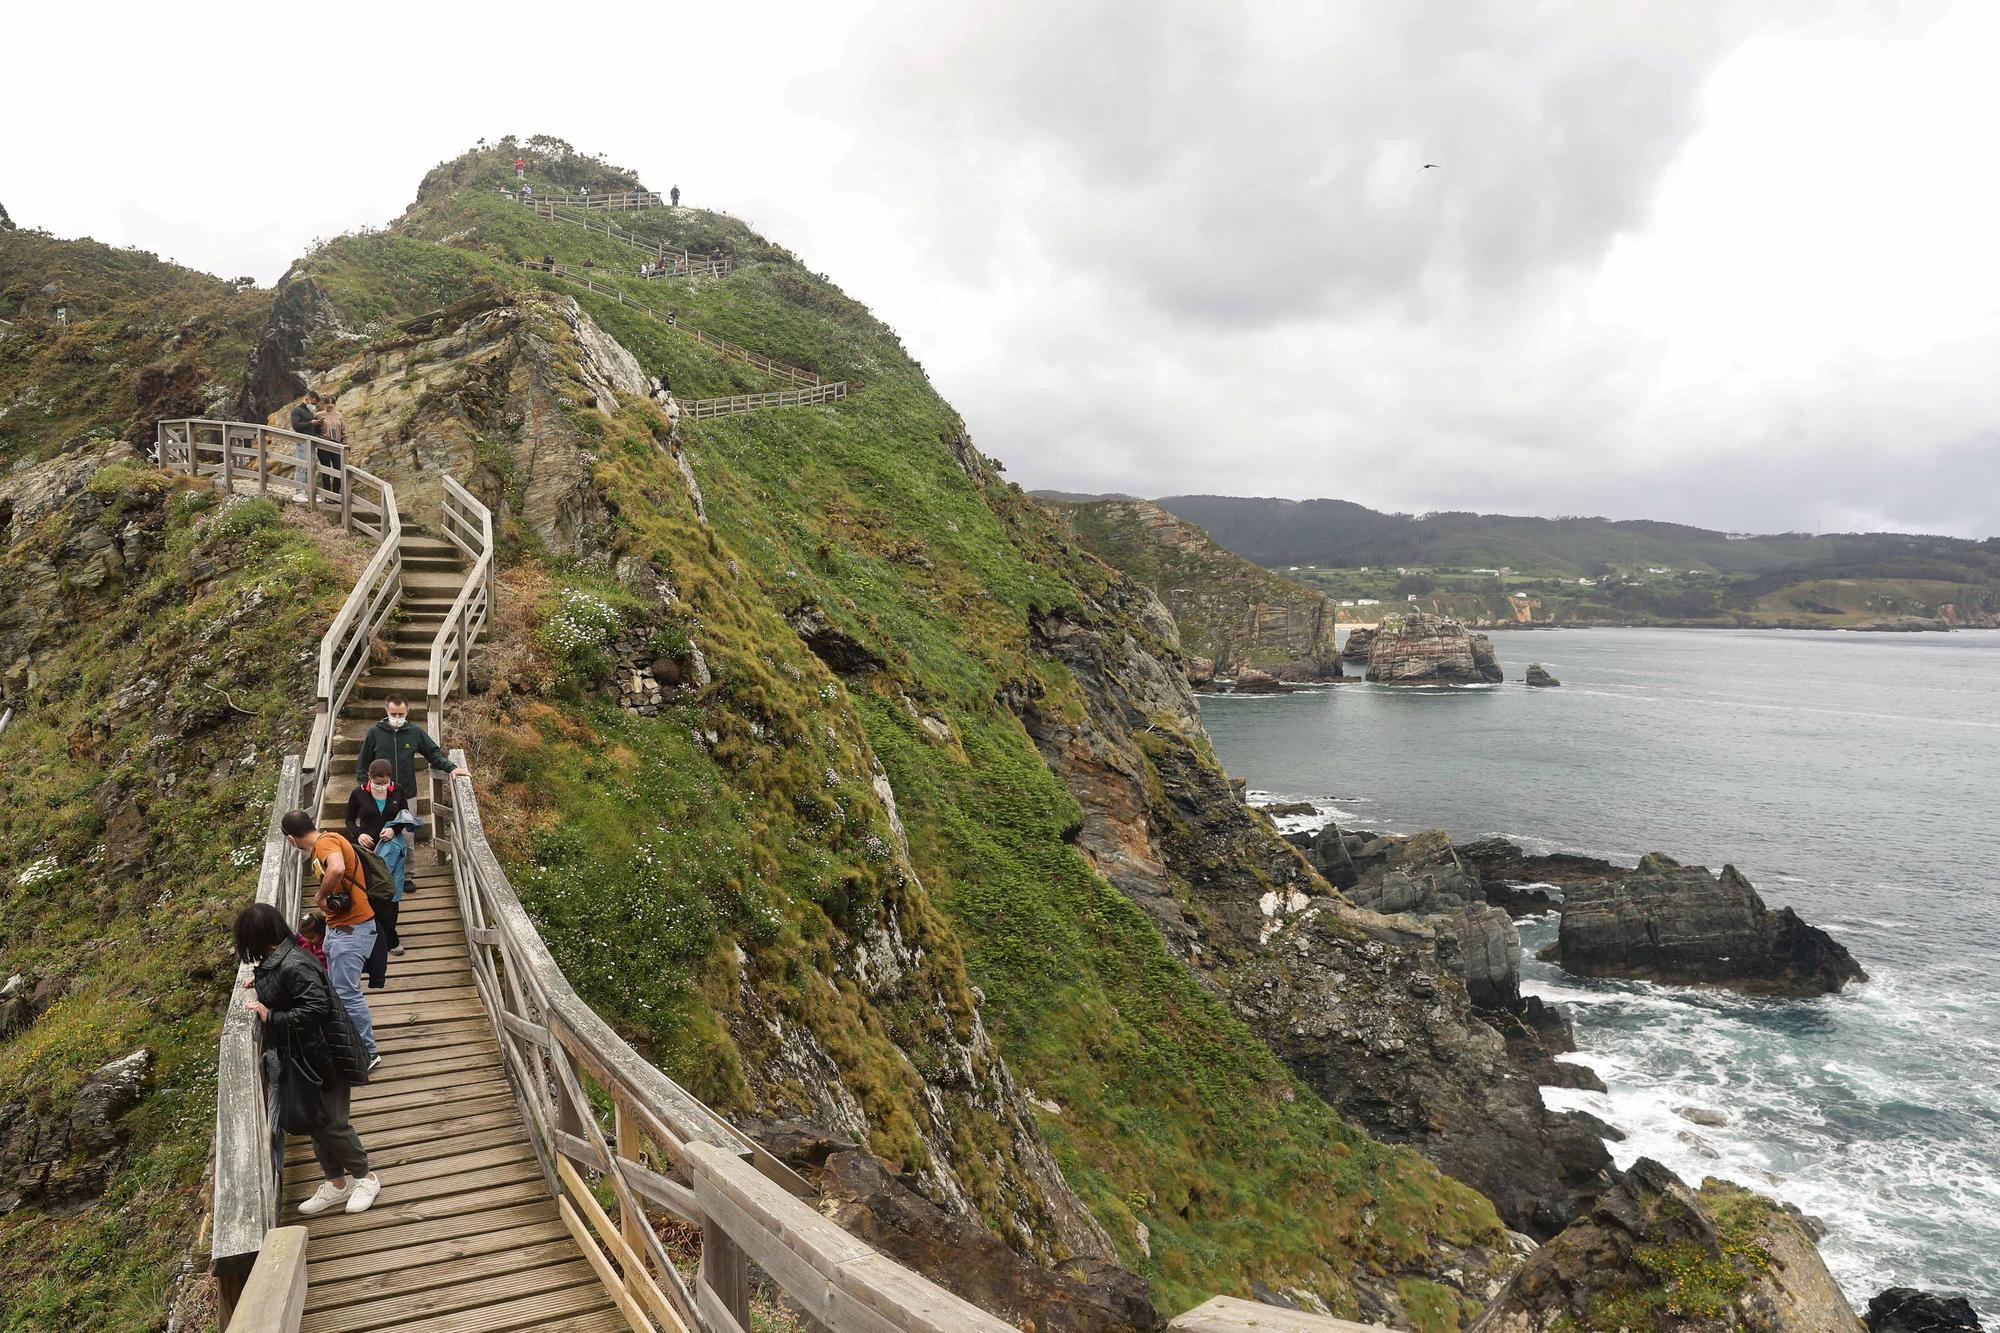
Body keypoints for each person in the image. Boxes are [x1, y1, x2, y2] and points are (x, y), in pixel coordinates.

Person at [235, 901, 382, 1216]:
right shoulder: (281, 958)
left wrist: (269, 1015)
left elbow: (315, 1007)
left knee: (331, 1123)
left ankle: (366, 1177)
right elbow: (286, 987)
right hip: (307, 1056)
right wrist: (260, 985)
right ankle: (336, 1184)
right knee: (315, 1122)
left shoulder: (294, 963)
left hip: (326, 1055)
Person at [280, 810, 378, 1067]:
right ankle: (353, 1047)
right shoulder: (325, 843)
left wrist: (319, 897)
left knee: (347, 993)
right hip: (344, 929)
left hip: (352, 928)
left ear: (291, 839)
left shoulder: (325, 843)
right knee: (340, 991)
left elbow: (337, 868)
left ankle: (368, 1052)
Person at [353, 694, 469, 818]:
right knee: (379, 834)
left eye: (401, 714)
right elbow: (362, 764)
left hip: (407, 794)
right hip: (380, 794)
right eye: (393, 714)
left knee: (407, 834)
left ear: (407, 711)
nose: (397, 717)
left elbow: (433, 753)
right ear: (386, 711)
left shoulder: (415, 732)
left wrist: (451, 767)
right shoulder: (374, 732)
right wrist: (367, 789)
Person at [346, 759, 410, 981]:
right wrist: (358, 834)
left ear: (390, 778)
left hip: (391, 849)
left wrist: (394, 829)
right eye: (377, 782)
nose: (381, 786)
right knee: (372, 893)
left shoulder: (398, 791)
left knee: (391, 893)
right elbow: (349, 820)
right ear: (370, 778)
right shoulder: (358, 794)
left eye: (385, 782)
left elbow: (405, 817)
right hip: (368, 852)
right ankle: (387, 939)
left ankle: (388, 935)